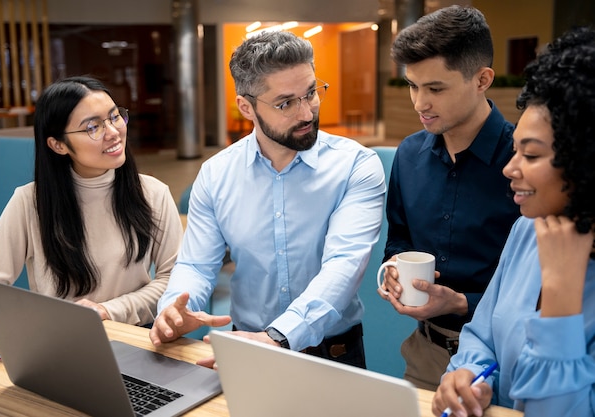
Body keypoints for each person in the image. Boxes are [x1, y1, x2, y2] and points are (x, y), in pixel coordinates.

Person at [150, 30, 386, 369]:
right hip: (245, 345)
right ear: (246, 106)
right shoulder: (216, 175)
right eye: (285, 103)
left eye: (311, 93)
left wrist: (279, 336)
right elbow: (197, 265)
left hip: (332, 355)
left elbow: (344, 266)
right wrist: (176, 308)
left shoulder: (355, 166)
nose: (306, 113)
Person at [433, 26, 595, 417]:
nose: (510, 168)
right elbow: (482, 335)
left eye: (532, 156)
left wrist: (560, 300)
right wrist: (468, 374)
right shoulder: (527, 229)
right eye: (514, 150)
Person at [0, 76, 182, 338]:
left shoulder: (153, 194)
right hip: (59, 344)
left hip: (135, 338)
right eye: (93, 127)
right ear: (57, 144)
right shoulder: (30, 202)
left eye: (115, 117)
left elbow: (173, 280)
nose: (113, 132)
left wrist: (108, 310)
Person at [377, 5, 520, 390]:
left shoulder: (527, 161)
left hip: (511, 358)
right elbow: (400, 236)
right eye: (412, 85)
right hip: (428, 351)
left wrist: (461, 303)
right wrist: (395, 267)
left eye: (435, 88)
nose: (419, 103)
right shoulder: (408, 155)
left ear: (482, 79)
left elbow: (546, 285)